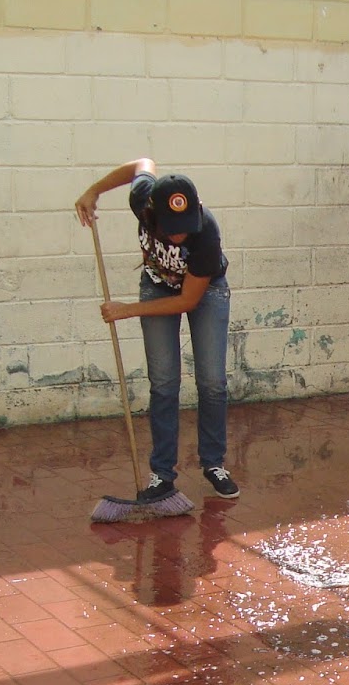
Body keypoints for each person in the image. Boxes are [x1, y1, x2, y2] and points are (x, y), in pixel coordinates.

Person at [74, 159, 239, 501]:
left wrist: (127, 310)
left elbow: (188, 300)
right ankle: (162, 474)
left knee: (212, 381)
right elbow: (141, 164)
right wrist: (93, 191)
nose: (180, 235)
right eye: (172, 228)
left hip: (206, 292)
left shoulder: (206, 232)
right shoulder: (143, 198)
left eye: (185, 226)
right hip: (157, 285)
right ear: (152, 213)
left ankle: (213, 464)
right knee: (163, 381)